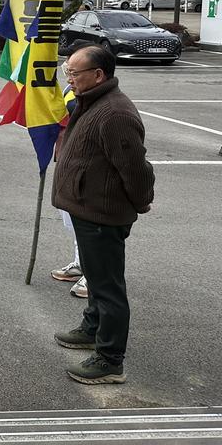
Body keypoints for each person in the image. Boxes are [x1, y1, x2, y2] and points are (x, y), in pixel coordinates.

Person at [52, 44, 154, 385]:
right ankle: (93, 327)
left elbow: (134, 169)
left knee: (108, 287)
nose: (69, 79)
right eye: (67, 72)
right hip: (88, 207)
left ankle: (110, 360)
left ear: (98, 75)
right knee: (96, 279)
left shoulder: (115, 114)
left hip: (103, 213)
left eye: (74, 74)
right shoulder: (92, 101)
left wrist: (140, 202)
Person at [52, 82, 88, 299]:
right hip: (66, 160)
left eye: (75, 71)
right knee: (70, 220)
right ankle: (81, 264)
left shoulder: (101, 100)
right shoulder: (68, 89)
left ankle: (95, 274)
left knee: (87, 224)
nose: (70, 73)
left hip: (84, 167)